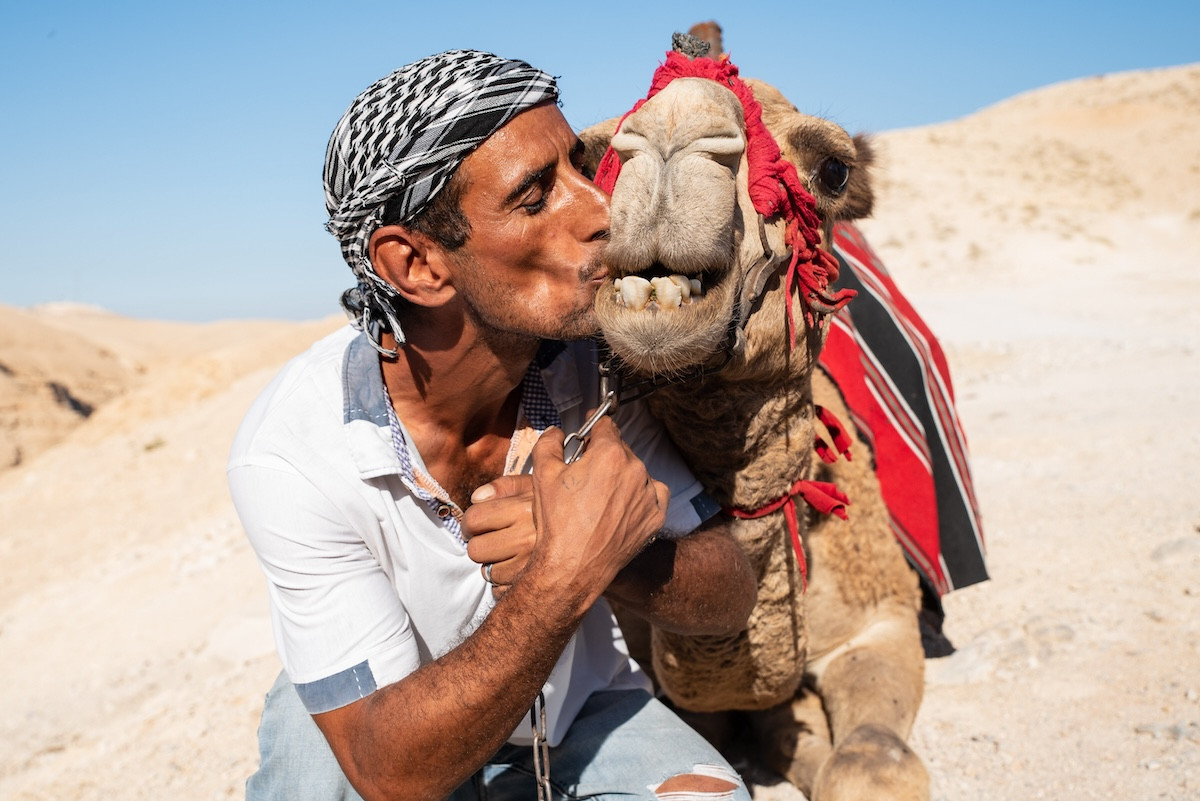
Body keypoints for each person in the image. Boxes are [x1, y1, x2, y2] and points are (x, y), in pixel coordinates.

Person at [228, 49, 757, 801]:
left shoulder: (595, 368)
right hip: (388, 718)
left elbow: (731, 589)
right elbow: (393, 771)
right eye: (535, 197)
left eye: (578, 167)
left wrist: (614, 553)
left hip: (576, 714)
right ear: (417, 265)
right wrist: (564, 573)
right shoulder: (293, 453)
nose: (601, 212)